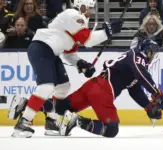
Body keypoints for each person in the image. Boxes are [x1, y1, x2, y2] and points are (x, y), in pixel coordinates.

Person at [9, 39, 163, 138]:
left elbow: (134, 88)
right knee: (112, 130)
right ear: (147, 51)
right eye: (152, 53)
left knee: (63, 106)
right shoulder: (136, 55)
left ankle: (24, 104)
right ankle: (77, 121)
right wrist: (157, 93)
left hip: (93, 85)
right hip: (103, 92)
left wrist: (147, 105)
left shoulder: (133, 58)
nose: (153, 56)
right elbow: (142, 75)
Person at [9, 0, 123, 138]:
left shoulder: (78, 21)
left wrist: (80, 63)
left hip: (51, 51)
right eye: (89, 8)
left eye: (92, 9)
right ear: (81, 6)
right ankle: (23, 124)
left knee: (63, 86)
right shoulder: (73, 15)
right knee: (46, 87)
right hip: (42, 48)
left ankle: (52, 122)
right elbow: (89, 41)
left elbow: (69, 53)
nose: (90, 12)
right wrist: (107, 31)